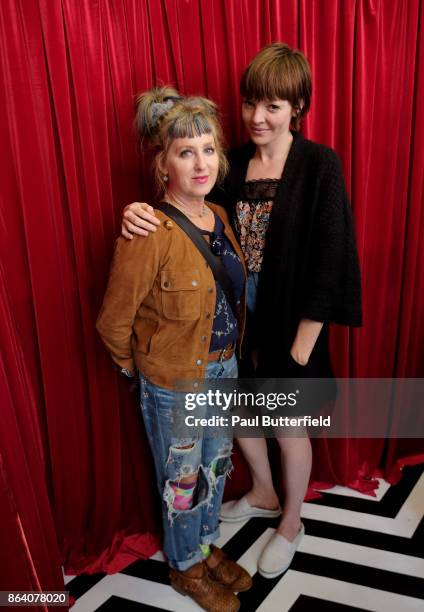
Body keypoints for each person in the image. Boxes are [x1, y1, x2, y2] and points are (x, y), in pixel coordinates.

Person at [120, 43, 362, 579]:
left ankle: (292, 522)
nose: (257, 116)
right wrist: (137, 210)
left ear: (297, 107)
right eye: (252, 102)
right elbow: (191, 211)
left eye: (273, 105)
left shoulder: (319, 163)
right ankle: (263, 491)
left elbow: (331, 253)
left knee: (287, 427)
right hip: (229, 316)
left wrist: (303, 341)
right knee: (237, 416)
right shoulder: (229, 160)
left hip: (292, 319)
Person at [97, 86, 251, 612]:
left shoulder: (221, 219)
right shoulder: (148, 231)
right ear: (164, 164)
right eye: (186, 152)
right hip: (174, 384)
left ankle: (204, 549)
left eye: (208, 149)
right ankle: (185, 567)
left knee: (216, 466)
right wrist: (140, 371)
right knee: (182, 481)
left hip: (224, 370)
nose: (201, 162)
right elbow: (113, 322)